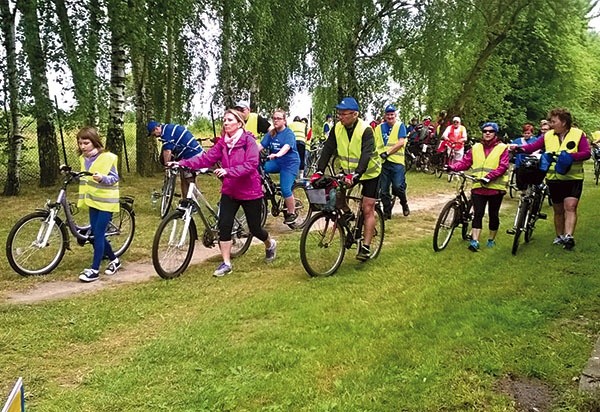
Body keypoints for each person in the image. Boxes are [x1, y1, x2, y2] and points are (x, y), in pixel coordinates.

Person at [175, 109, 277, 277]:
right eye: (224, 120)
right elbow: (206, 159)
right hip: (230, 190)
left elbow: (251, 164)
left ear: (239, 123)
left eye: (229, 120)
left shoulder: (248, 141)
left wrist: (229, 171)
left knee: (255, 228)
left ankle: (270, 243)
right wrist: (182, 163)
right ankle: (226, 263)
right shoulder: (223, 143)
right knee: (224, 225)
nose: (226, 123)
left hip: (250, 191)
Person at [313, 96, 384, 261]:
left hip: (370, 173)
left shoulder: (366, 130)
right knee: (337, 196)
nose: (340, 116)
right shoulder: (337, 128)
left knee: (367, 208)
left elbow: (366, 154)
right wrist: (319, 170)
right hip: (349, 171)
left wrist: (357, 173)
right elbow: (328, 148)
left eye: (344, 114)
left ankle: (365, 246)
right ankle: (348, 216)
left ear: (355, 114)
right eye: (339, 113)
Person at [510, 108, 591, 250]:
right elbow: (532, 147)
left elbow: (586, 153)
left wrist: (571, 157)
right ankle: (559, 236)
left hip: (573, 177)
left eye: (553, 121)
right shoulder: (548, 136)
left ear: (564, 122)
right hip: (553, 178)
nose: (551, 124)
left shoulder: (578, 135)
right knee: (558, 210)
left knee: (570, 207)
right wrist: (519, 148)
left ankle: (568, 237)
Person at [447, 122, 509, 252]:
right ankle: (475, 241)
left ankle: (491, 239)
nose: (487, 133)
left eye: (490, 131)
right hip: (478, 187)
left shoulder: (503, 148)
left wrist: (489, 177)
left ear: (495, 133)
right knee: (478, 214)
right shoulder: (476, 147)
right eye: (485, 131)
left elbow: (503, 166)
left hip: (495, 188)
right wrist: (452, 167)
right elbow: (465, 162)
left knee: (493, 215)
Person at [76, 127, 122, 282]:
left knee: (98, 234)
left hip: (106, 202)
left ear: (94, 142)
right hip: (92, 200)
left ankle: (94, 270)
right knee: (95, 233)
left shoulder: (108, 158)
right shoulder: (83, 158)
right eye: (80, 143)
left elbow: (115, 178)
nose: (82, 146)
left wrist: (103, 178)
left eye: (86, 143)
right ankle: (115, 260)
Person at [258, 109, 301, 224]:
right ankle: (269, 188)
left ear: (284, 120)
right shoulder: (271, 133)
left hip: (289, 163)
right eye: (274, 118)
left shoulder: (288, 133)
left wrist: (277, 154)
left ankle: (291, 213)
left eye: (279, 118)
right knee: (261, 168)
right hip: (277, 162)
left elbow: (286, 147)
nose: (276, 121)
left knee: (285, 188)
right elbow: (260, 146)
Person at [147, 121, 203, 197]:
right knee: (183, 179)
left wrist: (167, 168)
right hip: (189, 154)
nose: (155, 137)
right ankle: (185, 201)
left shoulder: (166, 133)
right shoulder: (168, 128)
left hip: (192, 154)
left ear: (156, 128)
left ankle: (193, 203)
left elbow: (167, 151)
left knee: (188, 179)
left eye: (154, 134)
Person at [375, 104, 410, 219]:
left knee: (398, 186)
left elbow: (401, 143)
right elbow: (375, 143)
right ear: (385, 116)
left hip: (397, 162)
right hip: (383, 163)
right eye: (388, 115)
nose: (390, 117)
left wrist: (388, 152)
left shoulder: (400, 126)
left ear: (395, 115)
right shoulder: (379, 128)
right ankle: (386, 212)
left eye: (392, 115)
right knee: (383, 190)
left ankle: (404, 203)